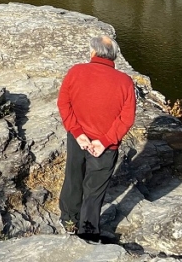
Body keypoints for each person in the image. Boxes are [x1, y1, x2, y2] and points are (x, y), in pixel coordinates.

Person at [57, 34, 136, 243]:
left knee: (73, 177)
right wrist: (105, 141)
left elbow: (64, 104)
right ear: (114, 57)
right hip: (106, 147)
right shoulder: (125, 82)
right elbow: (127, 118)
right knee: (95, 190)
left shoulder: (76, 72)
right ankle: (88, 232)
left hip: (78, 140)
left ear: (92, 52)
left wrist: (78, 133)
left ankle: (68, 220)